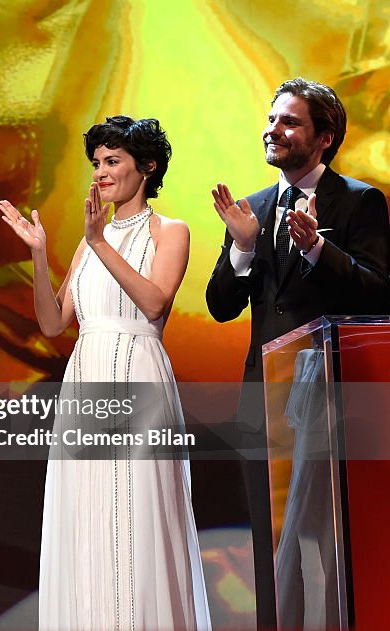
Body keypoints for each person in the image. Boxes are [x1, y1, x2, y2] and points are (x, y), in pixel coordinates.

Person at [0, 116, 211, 630]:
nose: (101, 173)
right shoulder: (87, 241)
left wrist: (98, 242)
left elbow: (155, 302)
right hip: (86, 381)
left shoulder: (171, 231)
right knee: (89, 516)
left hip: (138, 375)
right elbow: (53, 325)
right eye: (96, 164)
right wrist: (38, 252)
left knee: (136, 517)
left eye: (112, 162)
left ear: (148, 167)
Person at [205, 77, 390, 629]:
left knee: (330, 543)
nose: (273, 130)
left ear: (325, 137)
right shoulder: (254, 207)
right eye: (271, 119)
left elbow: (379, 291)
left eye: (289, 122)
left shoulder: (359, 201)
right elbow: (219, 306)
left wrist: (316, 247)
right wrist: (241, 245)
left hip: (332, 397)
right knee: (269, 540)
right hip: (264, 398)